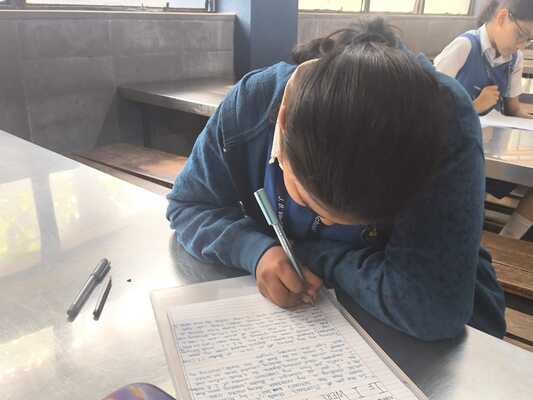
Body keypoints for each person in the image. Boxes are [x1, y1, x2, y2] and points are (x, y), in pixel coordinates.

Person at [167, 18, 506, 341]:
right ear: (283, 124)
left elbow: (430, 308)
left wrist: (305, 253)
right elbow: (188, 206)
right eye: (306, 199)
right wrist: (254, 250)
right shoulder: (252, 105)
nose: (326, 222)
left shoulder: (445, 122)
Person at [434, 0, 533, 240]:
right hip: (454, 151)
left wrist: (526, 117)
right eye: (520, 35)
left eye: (528, 41)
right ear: (502, 17)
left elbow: (512, 108)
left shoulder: (515, 58)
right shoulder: (465, 46)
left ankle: (508, 240)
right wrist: (475, 105)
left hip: (491, 147)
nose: (521, 45)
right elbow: (427, 107)